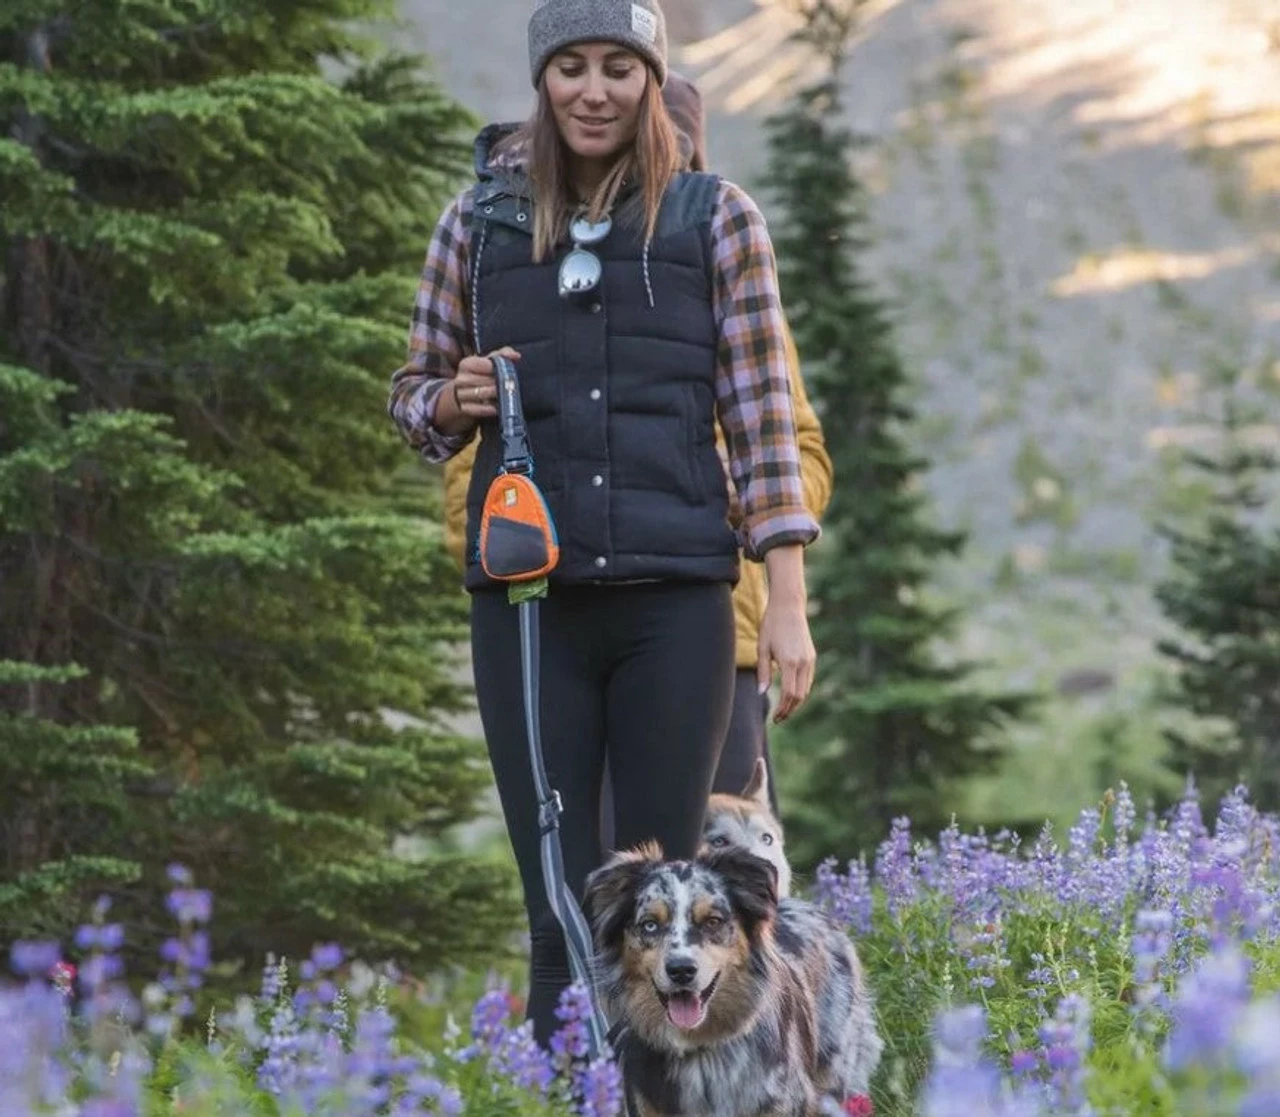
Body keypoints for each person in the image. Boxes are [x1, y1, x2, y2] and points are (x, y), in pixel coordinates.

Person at [387, 0, 819, 1048]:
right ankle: (563, 1095)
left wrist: (786, 602)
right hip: (530, 612)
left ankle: (659, 1101)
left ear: (650, 80)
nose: (593, 91)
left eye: (618, 68)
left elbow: (765, 422)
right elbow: (411, 398)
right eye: (571, 66)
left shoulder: (718, 219)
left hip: (678, 607)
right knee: (556, 905)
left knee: (658, 912)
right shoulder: (474, 225)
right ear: (542, 79)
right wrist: (451, 399)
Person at [440, 72, 832, 822]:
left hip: (720, 626)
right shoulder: (517, 269)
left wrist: (725, 496)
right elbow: (465, 470)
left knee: (711, 867)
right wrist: (510, 537)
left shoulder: (725, 260)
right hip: (553, 604)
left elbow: (796, 447)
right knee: (591, 860)